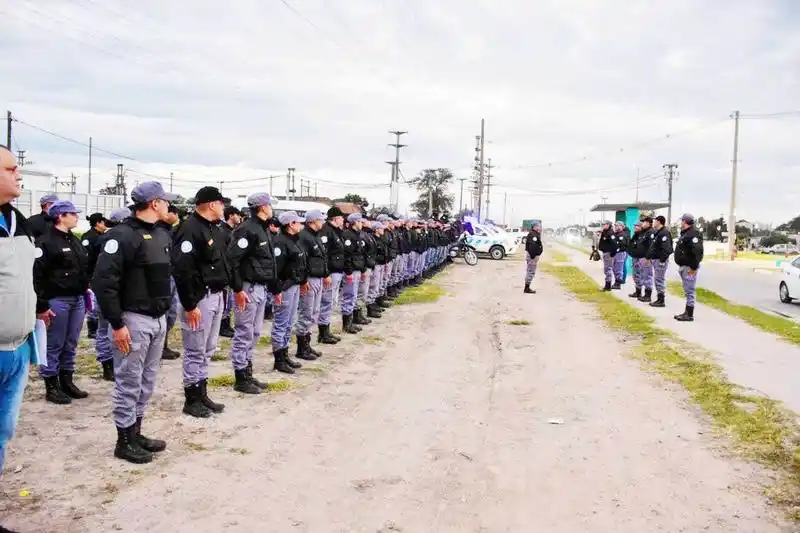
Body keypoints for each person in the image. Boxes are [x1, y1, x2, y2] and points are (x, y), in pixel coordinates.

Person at [93, 182, 175, 464]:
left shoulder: (162, 234)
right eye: (165, 201)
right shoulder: (122, 236)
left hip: (157, 318)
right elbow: (104, 283)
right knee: (128, 381)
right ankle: (124, 440)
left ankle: (136, 430)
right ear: (154, 203)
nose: (168, 206)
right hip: (133, 319)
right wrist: (116, 324)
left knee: (147, 380)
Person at [172, 186, 230, 418]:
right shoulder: (189, 229)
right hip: (199, 298)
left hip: (215, 295)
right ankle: (191, 397)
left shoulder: (213, 229)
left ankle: (202, 392)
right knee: (195, 349)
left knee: (208, 348)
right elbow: (183, 270)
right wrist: (189, 305)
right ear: (211, 204)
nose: (223, 207)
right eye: (221, 203)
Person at [0, 146, 38, 505]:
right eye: (11, 168)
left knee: (2, 431)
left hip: (18, 346)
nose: (19, 174)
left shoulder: (17, 220)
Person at [33, 200, 91, 404]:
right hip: (57, 299)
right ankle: (52, 385)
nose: (76, 217)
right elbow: (37, 275)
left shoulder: (73, 240)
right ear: (61, 216)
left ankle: (67, 380)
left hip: (77, 298)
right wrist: (41, 304)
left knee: (71, 341)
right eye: (73, 213)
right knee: (54, 343)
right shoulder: (46, 242)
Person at [226, 193, 278, 394]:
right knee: (244, 332)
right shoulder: (247, 230)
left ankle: (248, 372)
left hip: (259, 287)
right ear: (263, 207)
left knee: (254, 332)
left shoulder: (261, 228)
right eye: (270, 205)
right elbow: (233, 260)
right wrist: (238, 289)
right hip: (247, 288)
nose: (271, 208)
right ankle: (240, 376)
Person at [92, 207, 131, 382]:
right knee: (105, 328)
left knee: (108, 329)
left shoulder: (110, 237)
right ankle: (107, 364)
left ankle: (111, 364)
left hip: (115, 290)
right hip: (107, 290)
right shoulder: (111, 239)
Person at [271, 211, 309, 373]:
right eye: (298, 222)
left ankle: (285, 354)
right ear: (290, 225)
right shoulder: (280, 242)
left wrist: (301, 281)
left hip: (293, 285)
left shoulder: (294, 240)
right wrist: (277, 289)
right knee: (281, 322)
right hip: (284, 287)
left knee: (289, 322)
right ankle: (279, 359)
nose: (301, 225)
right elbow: (276, 269)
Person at [317, 207, 346, 343]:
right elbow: (324, 255)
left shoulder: (337, 231)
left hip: (337, 270)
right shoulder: (326, 231)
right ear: (335, 218)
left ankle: (326, 329)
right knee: (327, 301)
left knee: (331, 301)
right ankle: (323, 333)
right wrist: (326, 272)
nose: (343, 219)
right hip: (331, 271)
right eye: (341, 217)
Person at [159, 205, 182, 361]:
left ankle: (164, 345)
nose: (177, 216)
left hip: (173, 275)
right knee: (164, 312)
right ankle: (160, 346)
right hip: (164, 277)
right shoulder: (159, 230)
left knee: (172, 312)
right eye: (175, 213)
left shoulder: (170, 231)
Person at [81, 213, 109, 339]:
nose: (106, 225)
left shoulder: (103, 236)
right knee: (93, 303)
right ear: (98, 223)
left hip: (100, 273)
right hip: (91, 274)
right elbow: (86, 258)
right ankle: (92, 329)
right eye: (104, 222)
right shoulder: (89, 237)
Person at [673, 213, 704, 322]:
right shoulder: (686, 234)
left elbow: (697, 251)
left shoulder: (693, 234)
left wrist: (694, 267)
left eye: (682, 221)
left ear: (685, 221)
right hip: (684, 266)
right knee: (687, 290)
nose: (681, 222)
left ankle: (689, 314)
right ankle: (686, 312)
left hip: (689, 267)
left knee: (690, 291)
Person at [218, 206, 242, 339]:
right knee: (225, 300)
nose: (239, 217)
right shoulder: (223, 231)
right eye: (238, 215)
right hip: (225, 271)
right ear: (231, 215)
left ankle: (226, 324)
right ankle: (223, 325)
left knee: (229, 301)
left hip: (232, 271)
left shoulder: (233, 231)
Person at [342, 212, 368, 330]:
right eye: (360, 222)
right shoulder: (348, 235)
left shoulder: (357, 234)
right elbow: (347, 255)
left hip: (357, 268)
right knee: (349, 295)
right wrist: (349, 271)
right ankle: (347, 324)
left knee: (354, 295)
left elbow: (360, 254)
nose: (361, 224)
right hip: (352, 270)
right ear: (354, 222)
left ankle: (353, 319)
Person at [645, 215, 673, 308]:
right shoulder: (659, 233)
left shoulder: (664, 233)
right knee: (657, 279)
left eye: (655, 221)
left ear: (659, 222)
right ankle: (659, 299)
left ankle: (661, 300)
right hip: (656, 259)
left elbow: (667, 249)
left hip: (660, 260)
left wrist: (662, 261)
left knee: (659, 279)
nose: (653, 222)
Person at [359, 219, 381, 319]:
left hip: (370, 265)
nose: (370, 223)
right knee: (361, 291)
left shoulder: (368, 235)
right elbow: (363, 253)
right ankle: (358, 314)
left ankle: (370, 307)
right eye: (367, 221)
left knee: (369, 287)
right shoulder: (362, 235)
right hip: (366, 266)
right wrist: (364, 267)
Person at [369, 222, 389, 313]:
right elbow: (372, 254)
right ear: (376, 229)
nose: (383, 230)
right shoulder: (372, 239)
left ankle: (377, 301)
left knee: (379, 284)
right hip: (376, 264)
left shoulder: (381, 238)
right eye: (381, 229)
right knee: (374, 285)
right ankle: (371, 306)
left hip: (381, 264)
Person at [637, 217, 656, 303]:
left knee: (648, 276)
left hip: (646, 258)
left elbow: (651, 247)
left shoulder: (651, 232)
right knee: (644, 276)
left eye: (644, 222)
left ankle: (648, 296)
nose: (642, 224)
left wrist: (648, 258)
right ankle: (645, 294)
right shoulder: (646, 232)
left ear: (649, 223)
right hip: (642, 257)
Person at [626, 222, 645, 300]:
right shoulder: (635, 235)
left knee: (640, 275)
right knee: (635, 275)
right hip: (635, 257)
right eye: (634, 226)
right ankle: (637, 291)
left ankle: (642, 293)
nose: (635, 228)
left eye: (637, 226)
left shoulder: (643, 235)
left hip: (640, 258)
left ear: (641, 227)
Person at [523, 222, 543, 294]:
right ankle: (527, 288)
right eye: (539, 226)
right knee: (531, 271)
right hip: (532, 256)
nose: (540, 228)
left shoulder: (534, 234)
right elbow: (532, 247)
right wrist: (534, 256)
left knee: (530, 271)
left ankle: (527, 287)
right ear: (535, 227)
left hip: (532, 256)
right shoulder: (533, 235)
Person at [597, 221, 616, 291]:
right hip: (605, 252)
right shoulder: (606, 232)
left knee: (608, 269)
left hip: (608, 253)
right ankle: (607, 285)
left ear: (608, 225)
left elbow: (614, 244)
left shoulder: (610, 233)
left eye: (604, 224)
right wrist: (601, 232)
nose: (602, 226)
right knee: (606, 269)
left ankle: (608, 286)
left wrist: (612, 253)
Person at [611, 221, 629, 290]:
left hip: (620, 253)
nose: (615, 227)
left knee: (619, 268)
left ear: (621, 226)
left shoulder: (622, 235)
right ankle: (617, 281)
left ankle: (618, 284)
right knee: (615, 268)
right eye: (615, 225)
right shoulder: (617, 234)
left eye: (617, 225)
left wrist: (616, 250)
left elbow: (622, 245)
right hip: (616, 253)